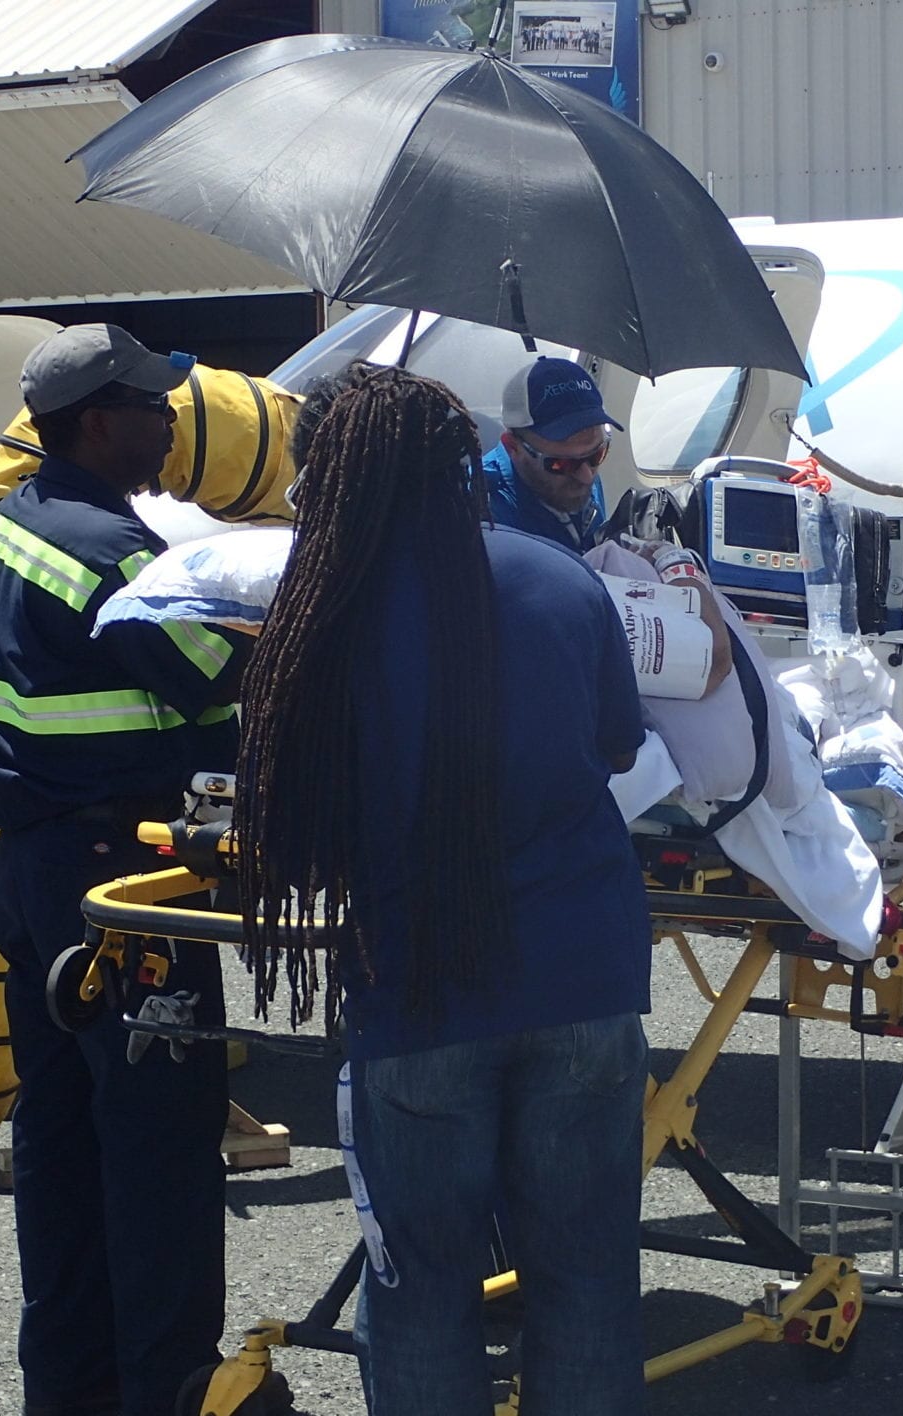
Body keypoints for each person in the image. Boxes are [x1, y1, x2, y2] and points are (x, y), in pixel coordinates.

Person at [236, 363, 651, 1413]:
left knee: (421, 1289)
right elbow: (617, 745)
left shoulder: (324, 611)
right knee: (589, 1277)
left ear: (334, 480)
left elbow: (303, 830)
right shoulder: (563, 581)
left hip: (420, 993)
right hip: (584, 977)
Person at [0, 324, 243, 1416]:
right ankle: (170, 1390)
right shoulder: (113, 553)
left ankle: (69, 1389)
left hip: (35, 871)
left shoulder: (8, 526)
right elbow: (216, 676)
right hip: (125, 886)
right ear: (94, 423)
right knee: (161, 1142)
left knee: (62, 1137)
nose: (171, 424)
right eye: (152, 409)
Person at [481, 355, 622, 551]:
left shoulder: (578, 472)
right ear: (513, 447)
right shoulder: (481, 511)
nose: (587, 477)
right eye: (562, 464)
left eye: (597, 454)